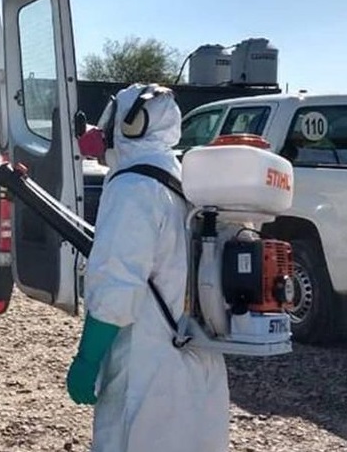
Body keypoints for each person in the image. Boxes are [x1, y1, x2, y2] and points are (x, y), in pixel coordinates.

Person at [67, 83, 230, 452]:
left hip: (147, 364)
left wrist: (87, 358)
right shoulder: (181, 180)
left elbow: (117, 286)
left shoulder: (134, 187)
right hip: (195, 357)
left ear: (131, 124)